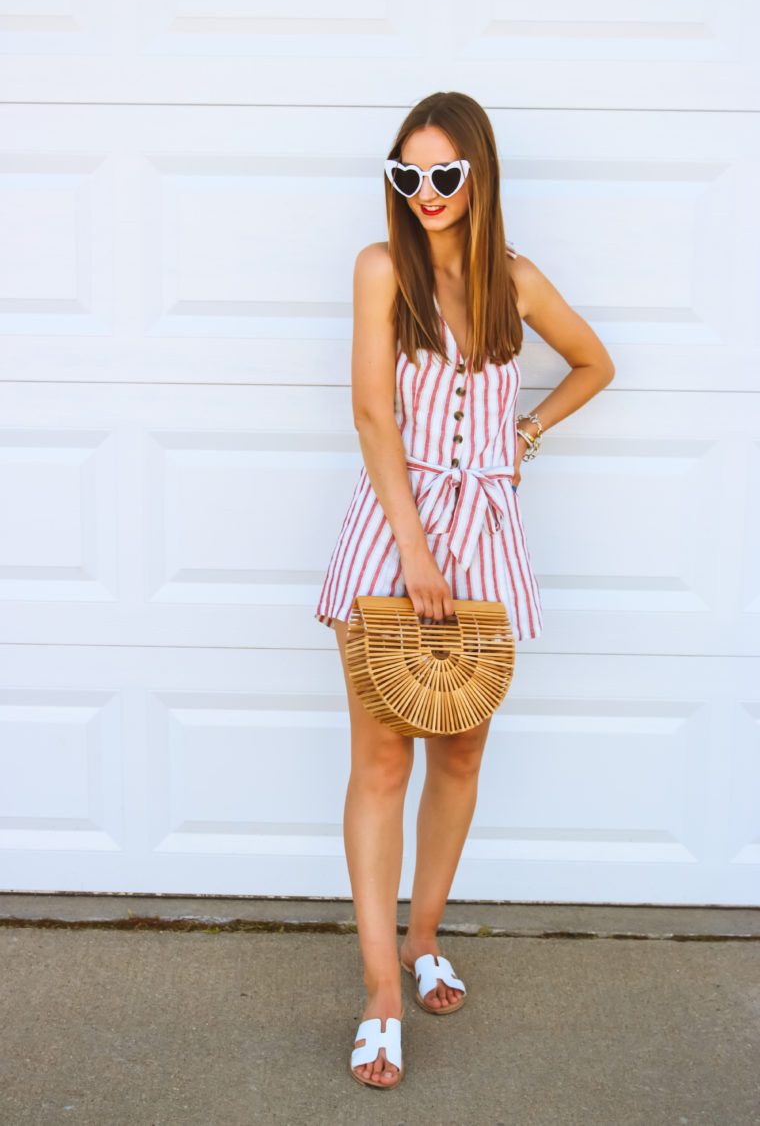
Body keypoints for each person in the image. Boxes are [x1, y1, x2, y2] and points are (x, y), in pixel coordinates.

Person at [315, 91, 615, 1089]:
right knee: (381, 761)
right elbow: (371, 413)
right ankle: (379, 989)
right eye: (408, 176)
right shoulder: (379, 269)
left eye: (444, 174)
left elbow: (594, 363)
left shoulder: (514, 283)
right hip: (394, 533)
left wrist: (523, 435)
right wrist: (413, 549)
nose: (426, 193)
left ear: (476, 174)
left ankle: (424, 933)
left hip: (486, 532)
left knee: (463, 744)